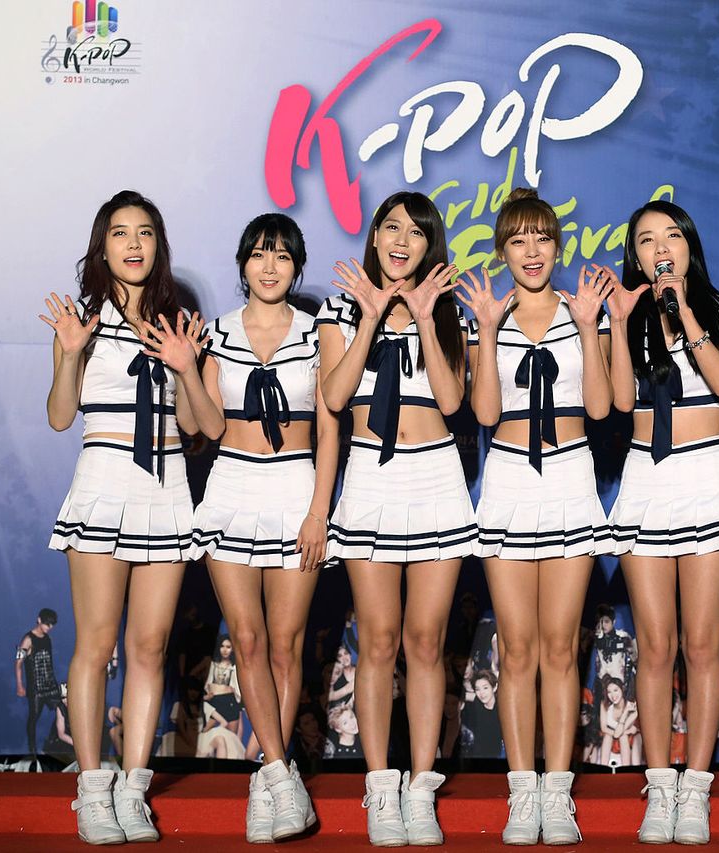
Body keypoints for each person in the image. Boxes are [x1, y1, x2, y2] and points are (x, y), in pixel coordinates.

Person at [42, 189, 206, 845]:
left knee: (149, 647)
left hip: (165, 492)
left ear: (158, 246)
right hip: (103, 487)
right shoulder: (81, 320)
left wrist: (187, 367)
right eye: (120, 232)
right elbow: (60, 416)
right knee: (96, 645)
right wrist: (71, 352)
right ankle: (91, 790)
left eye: (145, 232)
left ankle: (134, 790)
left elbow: (194, 425)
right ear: (102, 246)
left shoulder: (178, 324)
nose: (133, 244)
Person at [317, 190, 476, 847]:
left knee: (426, 641)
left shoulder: (449, 311)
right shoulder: (339, 308)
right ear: (375, 237)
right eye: (390, 227)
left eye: (415, 231)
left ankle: (421, 788)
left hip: (436, 477)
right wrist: (373, 316)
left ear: (430, 243)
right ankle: (380, 787)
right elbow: (334, 395)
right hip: (371, 480)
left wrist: (424, 316)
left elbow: (452, 400)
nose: (401, 240)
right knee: (378, 641)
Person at [457, 187, 613, 846]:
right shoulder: (485, 317)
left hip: (572, 476)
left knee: (559, 646)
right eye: (518, 239)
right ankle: (523, 792)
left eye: (542, 238)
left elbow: (601, 408)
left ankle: (559, 791)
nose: (531, 251)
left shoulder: (584, 313)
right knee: (516, 647)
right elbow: (485, 414)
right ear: (502, 250)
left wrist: (589, 326)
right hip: (510, 481)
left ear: (557, 245)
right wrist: (489, 331)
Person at [187, 212, 338, 844]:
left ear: (296, 266)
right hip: (231, 488)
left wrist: (318, 511)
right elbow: (202, 427)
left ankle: (267, 779)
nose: (269, 266)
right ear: (243, 263)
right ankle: (278, 774)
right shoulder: (216, 333)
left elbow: (329, 427)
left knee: (285, 645)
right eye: (258, 253)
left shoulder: (318, 331)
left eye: (281, 255)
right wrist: (185, 367)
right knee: (246, 640)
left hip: (295, 489)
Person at [606, 199, 719, 844]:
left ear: (690, 245)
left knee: (701, 645)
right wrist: (617, 322)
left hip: (705, 478)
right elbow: (618, 401)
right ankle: (659, 784)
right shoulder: (625, 313)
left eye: (671, 236)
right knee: (656, 646)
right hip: (645, 479)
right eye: (646, 240)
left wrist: (684, 310)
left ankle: (696, 788)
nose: (660, 247)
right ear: (634, 255)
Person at [15, 608, 62, 757]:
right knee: (33, 718)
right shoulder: (27, 639)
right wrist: (20, 685)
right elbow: (18, 664)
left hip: (50, 686)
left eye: (52, 625)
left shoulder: (48, 639)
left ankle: (53, 740)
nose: (50, 627)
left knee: (64, 709)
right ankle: (32, 750)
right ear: (39, 620)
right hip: (36, 689)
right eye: (47, 624)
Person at [203, 634, 242, 736]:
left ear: (233, 649)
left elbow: (237, 688)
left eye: (228, 647)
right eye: (222, 646)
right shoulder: (212, 664)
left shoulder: (234, 667)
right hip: (213, 701)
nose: (225, 650)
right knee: (205, 734)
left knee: (231, 738)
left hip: (229, 702)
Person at [599, 676, 642, 767]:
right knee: (608, 736)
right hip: (612, 735)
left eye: (615, 690)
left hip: (627, 738)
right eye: (609, 692)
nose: (613, 695)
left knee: (623, 737)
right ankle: (603, 768)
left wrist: (625, 712)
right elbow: (604, 728)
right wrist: (625, 731)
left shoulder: (631, 706)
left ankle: (626, 768)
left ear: (622, 689)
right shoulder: (604, 704)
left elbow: (620, 732)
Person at [460, 669, 504, 758]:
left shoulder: (502, 707)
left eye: (485, 688)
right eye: (477, 689)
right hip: (478, 754)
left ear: (494, 687)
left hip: (499, 754)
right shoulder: (476, 702)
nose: (482, 693)